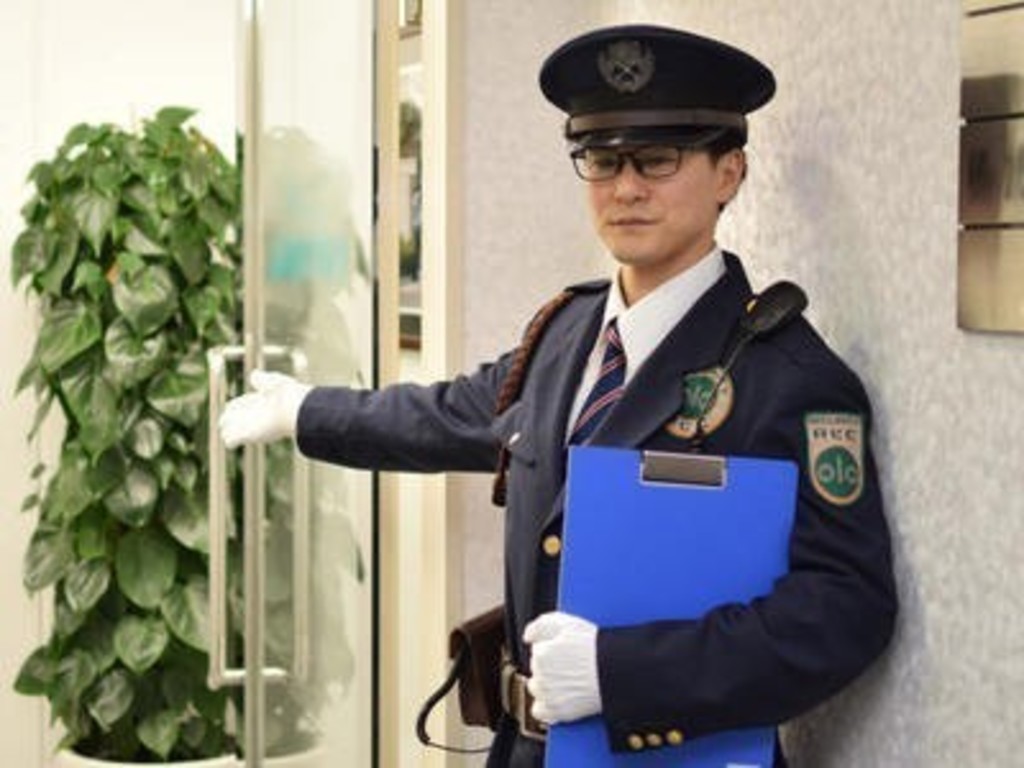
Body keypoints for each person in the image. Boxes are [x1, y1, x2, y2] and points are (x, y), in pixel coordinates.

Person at [220, 24, 897, 768]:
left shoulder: (788, 377)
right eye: (602, 160)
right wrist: (304, 410)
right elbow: (453, 414)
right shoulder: (568, 333)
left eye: (659, 159)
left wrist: (619, 673)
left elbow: (846, 609)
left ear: (728, 172)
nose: (626, 188)